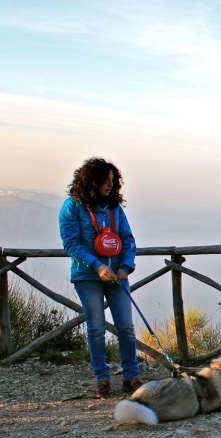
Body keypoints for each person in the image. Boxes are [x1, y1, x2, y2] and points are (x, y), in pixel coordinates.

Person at [59, 157, 141, 398]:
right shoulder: (72, 207)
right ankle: (102, 380)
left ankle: (131, 376)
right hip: (87, 276)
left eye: (113, 182)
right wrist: (96, 266)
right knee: (96, 328)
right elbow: (71, 244)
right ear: (91, 181)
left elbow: (128, 239)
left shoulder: (114, 208)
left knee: (125, 327)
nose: (110, 186)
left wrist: (126, 267)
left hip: (117, 275)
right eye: (106, 181)